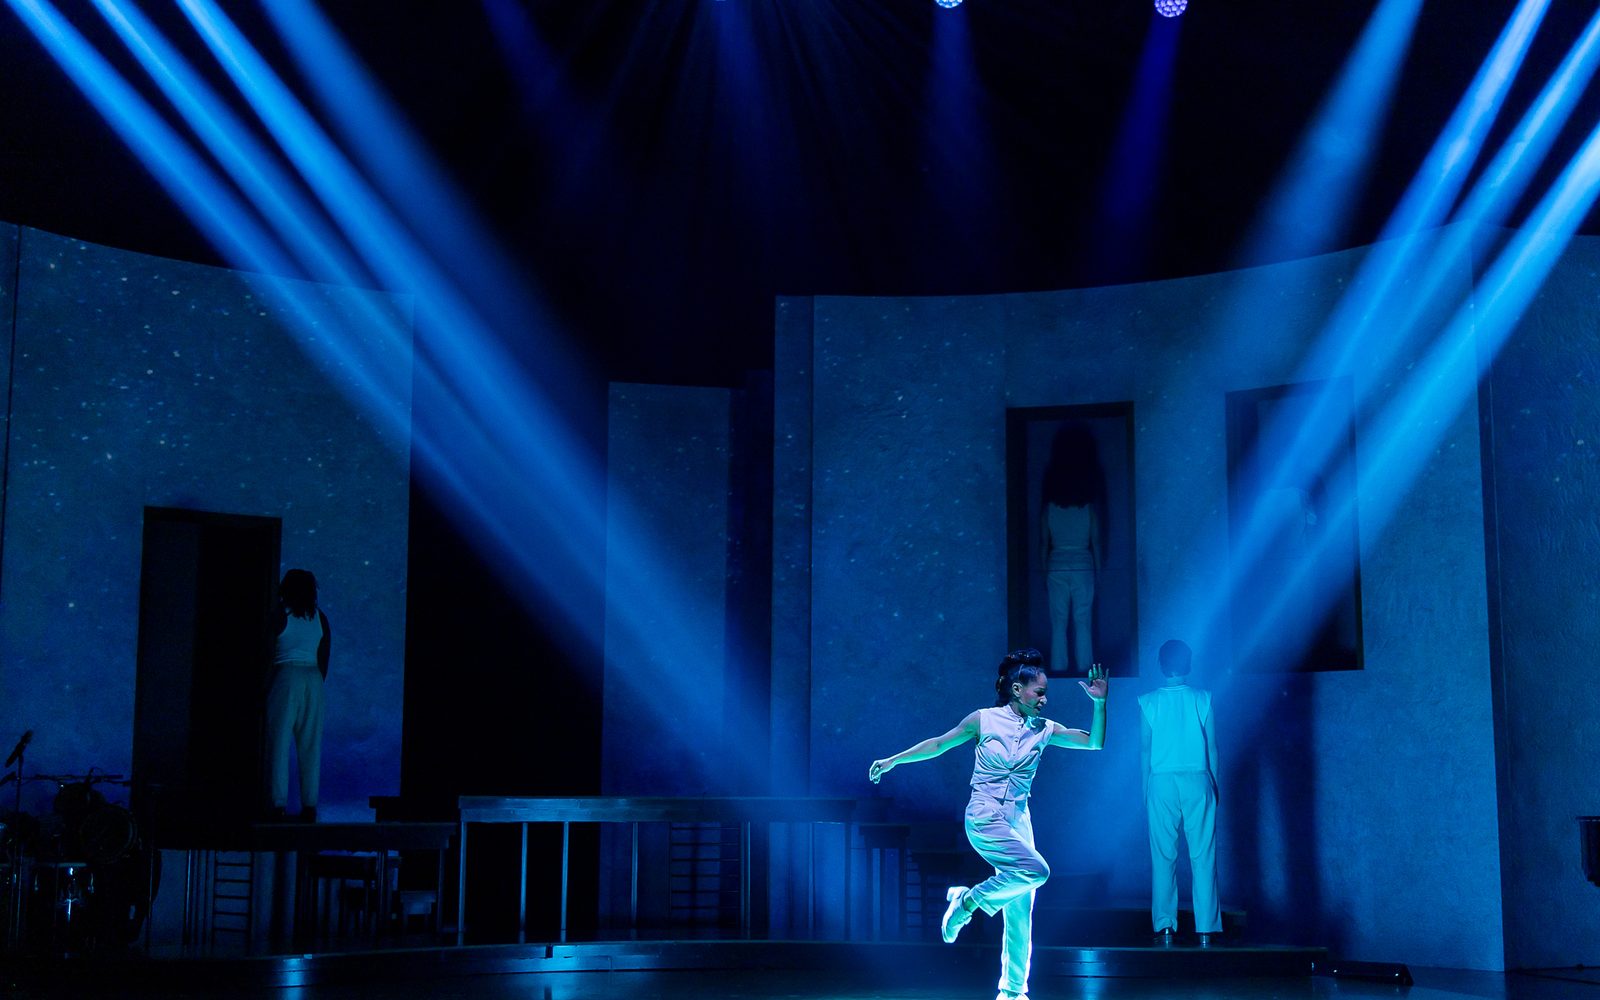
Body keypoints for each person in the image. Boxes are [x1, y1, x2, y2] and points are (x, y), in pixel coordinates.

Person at [870, 650, 1108, 1000]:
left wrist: (1100, 704)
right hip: (985, 812)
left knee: (1021, 906)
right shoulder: (983, 720)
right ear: (1016, 689)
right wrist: (894, 760)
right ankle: (967, 901)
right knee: (1037, 872)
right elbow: (938, 743)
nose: (1043, 700)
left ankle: (1012, 992)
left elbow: (1094, 742)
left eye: (1045, 694)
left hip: (1019, 817)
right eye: (1038, 692)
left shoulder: (1044, 730)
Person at [1138, 639, 1220, 946]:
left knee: (1163, 856)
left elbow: (1145, 751)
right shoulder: (1203, 698)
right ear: (1189, 663)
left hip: (1160, 781)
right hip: (1198, 778)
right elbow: (1212, 746)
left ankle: (1165, 925)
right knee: (1203, 855)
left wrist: (1144, 791)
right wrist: (1215, 784)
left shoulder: (1148, 701)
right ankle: (1206, 927)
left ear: (1160, 665)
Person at [265, 569, 330, 822]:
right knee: (311, 745)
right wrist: (316, 682)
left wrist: (265, 688)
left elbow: (267, 653)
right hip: (313, 678)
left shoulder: (281, 615)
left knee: (279, 743)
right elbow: (324, 655)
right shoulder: (320, 618)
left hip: (286, 675)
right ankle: (310, 805)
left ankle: (278, 804)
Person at [1040, 425, 1102, 674]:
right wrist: (1099, 571)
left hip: (1056, 563)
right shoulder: (1088, 508)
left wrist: (1043, 571)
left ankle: (1058, 667)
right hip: (1083, 564)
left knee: (1058, 622)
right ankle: (1086, 668)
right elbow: (1095, 543)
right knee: (1083, 620)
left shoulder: (1050, 509)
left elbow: (1043, 544)